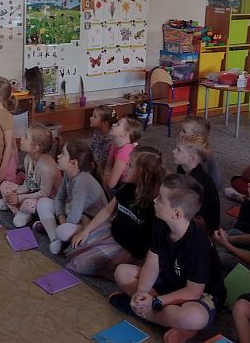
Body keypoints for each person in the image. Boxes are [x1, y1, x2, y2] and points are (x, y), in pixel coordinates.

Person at [111, 174, 225, 343]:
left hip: (200, 295)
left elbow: (193, 292)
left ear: (177, 214)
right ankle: (165, 318)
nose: (154, 200)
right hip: (169, 282)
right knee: (122, 272)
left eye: (161, 199)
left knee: (194, 317)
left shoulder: (198, 244)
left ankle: (148, 313)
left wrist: (156, 302)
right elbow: (152, 262)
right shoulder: (160, 223)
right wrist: (142, 292)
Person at [67, 147, 164, 277]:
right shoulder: (127, 188)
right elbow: (108, 210)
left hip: (129, 249)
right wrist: (86, 230)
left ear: (143, 173)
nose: (125, 168)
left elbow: (153, 242)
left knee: (80, 264)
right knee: (72, 249)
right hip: (112, 232)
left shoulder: (154, 203)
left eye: (130, 165)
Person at [35, 140, 107, 255]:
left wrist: (63, 223)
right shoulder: (68, 175)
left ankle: (57, 233)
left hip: (90, 222)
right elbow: (59, 198)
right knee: (42, 203)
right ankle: (55, 239)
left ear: (73, 163)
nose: (58, 156)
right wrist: (61, 216)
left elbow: (74, 217)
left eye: (63, 154)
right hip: (76, 215)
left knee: (63, 231)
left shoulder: (82, 180)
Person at [0, 124, 60, 228]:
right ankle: (17, 208)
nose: (21, 138)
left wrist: (20, 198)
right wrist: (15, 193)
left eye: (26, 137)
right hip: (33, 193)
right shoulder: (28, 158)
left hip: (47, 201)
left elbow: (44, 194)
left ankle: (20, 211)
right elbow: (28, 183)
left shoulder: (47, 168)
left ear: (35, 147)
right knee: (4, 185)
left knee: (27, 204)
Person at [173, 134, 220, 234]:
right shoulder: (181, 168)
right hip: (193, 209)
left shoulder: (197, 180)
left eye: (178, 150)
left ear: (192, 158)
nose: (173, 151)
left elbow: (190, 208)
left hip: (205, 223)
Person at [179, 115, 220, 190]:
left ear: (196, 137)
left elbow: (202, 179)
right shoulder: (187, 146)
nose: (180, 133)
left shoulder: (202, 153)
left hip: (207, 187)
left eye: (184, 131)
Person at [103, 116, 142, 192]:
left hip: (127, 186)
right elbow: (109, 163)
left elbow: (111, 184)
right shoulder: (116, 143)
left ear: (125, 134)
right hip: (119, 179)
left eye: (118, 124)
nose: (113, 124)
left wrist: (105, 175)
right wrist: (106, 173)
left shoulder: (124, 153)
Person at [88, 105, 117, 174]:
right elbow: (92, 146)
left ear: (104, 123)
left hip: (104, 169)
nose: (90, 118)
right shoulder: (97, 131)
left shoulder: (110, 139)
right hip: (96, 163)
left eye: (94, 116)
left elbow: (103, 159)